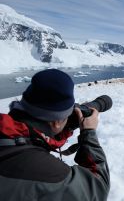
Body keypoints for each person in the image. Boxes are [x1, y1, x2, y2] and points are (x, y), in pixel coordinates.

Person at [0, 69, 110, 201]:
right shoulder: (48, 172)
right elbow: (97, 189)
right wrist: (89, 132)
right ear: (57, 122)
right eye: (66, 115)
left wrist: (65, 126)